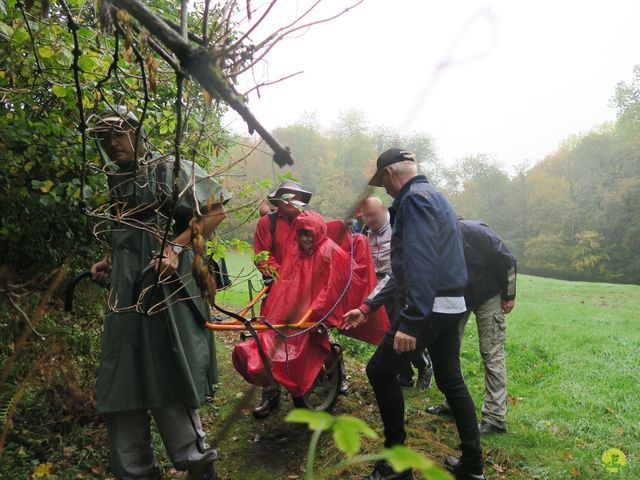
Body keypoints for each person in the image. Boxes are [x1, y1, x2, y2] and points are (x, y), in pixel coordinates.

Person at [88, 106, 230, 480]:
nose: (112, 143)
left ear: (137, 132)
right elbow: (127, 226)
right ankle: (135, 471)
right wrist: (107, 259)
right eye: (104, 137)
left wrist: (177, 247)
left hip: (164, 292)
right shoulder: (116, 178)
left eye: (118, 134)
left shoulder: (169, 168)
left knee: (166, 370)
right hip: (123, 296)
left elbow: (215, 212)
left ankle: (198, 465)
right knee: (121, 378)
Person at [343, 149, 485, 480]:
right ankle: (473, 466)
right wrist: (368, 307)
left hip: (429, 308)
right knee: (451, 379)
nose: (386, 191)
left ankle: (396, 465)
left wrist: (411, 321)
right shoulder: (436, 196)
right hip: (451, 305)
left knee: (379, 370)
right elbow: (408, 269)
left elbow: (419, 264)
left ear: (391, 174)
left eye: (383, 183)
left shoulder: (413, 201)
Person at [233, 212, 389, 413]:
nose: (305, 239)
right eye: (301, 234)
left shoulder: (328, 251)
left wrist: (313, 311)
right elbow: (286, 285)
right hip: (299, 312)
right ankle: (275, 389)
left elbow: (330, 289)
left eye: (309, 234)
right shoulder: (294, 251)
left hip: (318, 312)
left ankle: (322, 378)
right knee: (269, 340)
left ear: (317, 232)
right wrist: (274, 314)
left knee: (305, 345)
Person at [427, 219, 516, 435]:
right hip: (458, 297)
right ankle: (452, 402)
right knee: (448, 351)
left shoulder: (475, 231)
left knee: (491, 353)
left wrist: (509, 295)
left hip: (490, 294)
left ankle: (495, 418)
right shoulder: (433, 238)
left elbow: (508, 260)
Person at [251, 180, 313, 417]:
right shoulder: (267, 224)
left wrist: (301, 280)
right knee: (268, 339)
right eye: (288, 196)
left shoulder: (309, 221)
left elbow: (318, 250)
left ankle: (332, 377)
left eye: (297, 196)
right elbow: (262, 256)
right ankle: (270, 395)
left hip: (306, 290)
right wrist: (283, 280)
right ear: (278, 201)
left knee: (314, 332)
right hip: (276, 292)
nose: (293, 201)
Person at [360, 197, 432, 390]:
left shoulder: (397, 226)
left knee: (403, 329)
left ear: (384, 210)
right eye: (366, 216)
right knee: (388, 332)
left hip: (400, 285)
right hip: (379, 287)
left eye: (373, 215)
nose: (369, 220)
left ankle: (424, 365)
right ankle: (405, 375)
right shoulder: (365, 231)